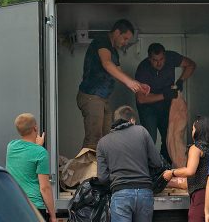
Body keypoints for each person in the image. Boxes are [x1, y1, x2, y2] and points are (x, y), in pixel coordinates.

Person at [77, 19, 150, 149]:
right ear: (116, 32)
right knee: (94, 138)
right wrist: (129, 82)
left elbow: (118, 72)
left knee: (106, 139)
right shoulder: (102, 41)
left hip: (103, 99)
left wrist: (138, 84)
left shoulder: (113, 51)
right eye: (125, 38)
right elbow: (107, 63)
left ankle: (102, 168)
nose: (126, 43)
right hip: (91, 96)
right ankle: (88, 169)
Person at [96, 105, 162, 222]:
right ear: (132, 120)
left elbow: (102, 178)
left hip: (120, 193)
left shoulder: (103, 142)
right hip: (144, 192)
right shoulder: (142, 131)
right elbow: (157, 162)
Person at [135, 42, 196, 163]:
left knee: (169, 137)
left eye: (161, 59)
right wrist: (164, 95)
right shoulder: (143, 69)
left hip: (166, 106)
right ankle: (149, 169)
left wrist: (181, 81)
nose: (158, 63)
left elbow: (191, 65)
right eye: (154, 60)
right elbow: (141, 98)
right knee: (150, 138)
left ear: (165, 56)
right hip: (148, 108)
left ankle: (165, 168)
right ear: (149, 59)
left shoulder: (172, 57)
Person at [163, 116, 209, 222]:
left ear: (198, 130)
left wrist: (172, 172)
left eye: (193, 129)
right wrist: (169, 182)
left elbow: (190, 171)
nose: (192, 131)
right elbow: (194, 179)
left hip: (201, 198)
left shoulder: (195, 148)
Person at [6, 113, 56, 222]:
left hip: (15, 205)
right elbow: (45, 188)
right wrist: (53, 216)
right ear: (35, 128)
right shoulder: (41, 153)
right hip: (34, 208)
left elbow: (26, 157)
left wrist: (37, 147)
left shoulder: (11, 146)